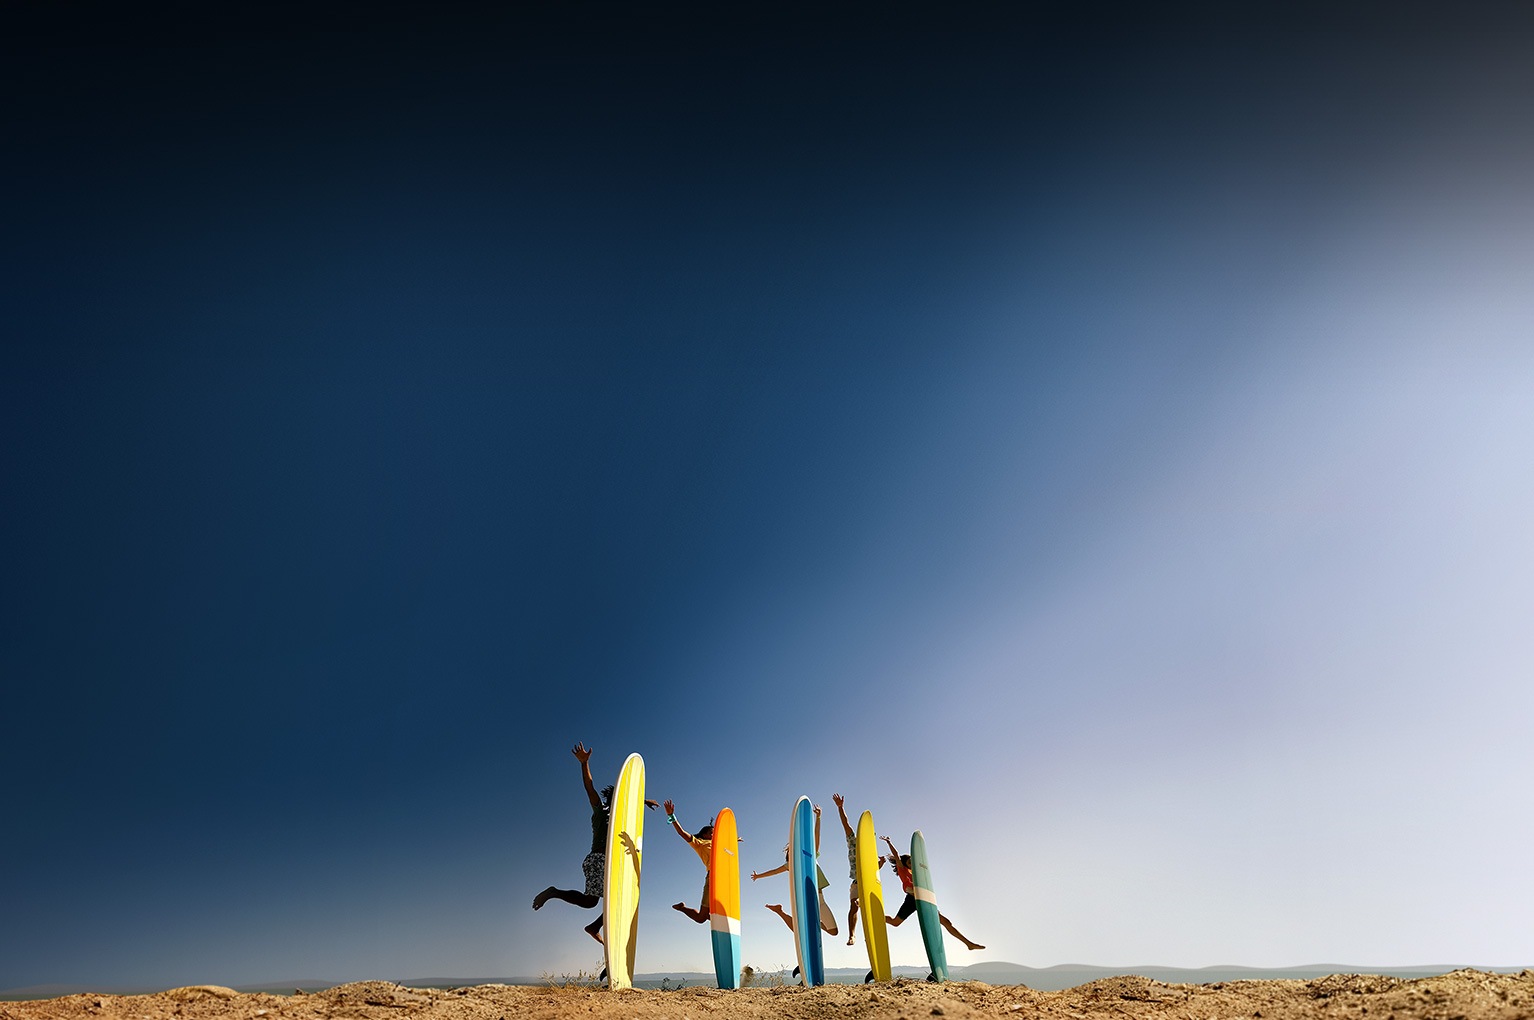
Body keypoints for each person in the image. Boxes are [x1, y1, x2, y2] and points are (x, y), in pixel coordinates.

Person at [531, 742, 656, 943]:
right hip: (599, 860)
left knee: (594, 902)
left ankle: (592, 924)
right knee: (612, 901)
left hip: (602, 861)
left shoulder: (621, 819)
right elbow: (589, 787)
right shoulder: (602, 810)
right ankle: (558, 896)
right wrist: (584, 763)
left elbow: (628, 802)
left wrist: (642, 801)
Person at [749, 802, 839, 938]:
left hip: (820, 900)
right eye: (792, 850)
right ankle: (780, 912)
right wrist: (758, 876)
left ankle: (810, 921)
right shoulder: (791, 865)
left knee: (833, 931)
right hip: (805, 898)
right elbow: (774, 871)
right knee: (800, 930)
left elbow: (816, 837)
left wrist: (818, 818)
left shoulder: (811, 856)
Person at [881, 834, 984, 951]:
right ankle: (877, 917)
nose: (912, 863)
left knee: (946, 922)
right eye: (910, 862)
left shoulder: (918, 874)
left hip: (923, 899)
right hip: (911, 900)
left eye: (912, 861)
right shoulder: (902, 870)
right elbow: (897, 856)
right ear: (905, 864)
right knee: (895, 923)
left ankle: (969, 944)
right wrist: (889, 843)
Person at [663, 799, 714, 924]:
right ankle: (682, 908)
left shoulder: (718, 844)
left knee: (716, 916)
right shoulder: (700, 844)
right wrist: (671, 816)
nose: (715, 835)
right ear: (705, 834)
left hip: (724, 879)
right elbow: (681, 832)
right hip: (712, 878)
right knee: (701, 918)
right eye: (712, 833)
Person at [832, 793, 861, 946]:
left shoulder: (871, 855)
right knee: (854, 905)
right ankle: (852, 935)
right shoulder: (853, 841)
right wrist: (840, 807)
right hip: (856, 883)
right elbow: (845, 823)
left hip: (869, 885)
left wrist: (881, 863)